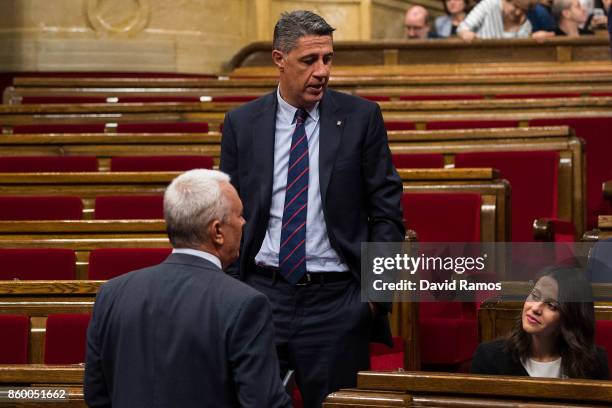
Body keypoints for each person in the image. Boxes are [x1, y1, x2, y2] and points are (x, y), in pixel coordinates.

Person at [220, 10, 405, 408]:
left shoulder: (361, 118)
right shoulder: (242, 123)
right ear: (279, 59)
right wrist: (235, 288)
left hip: (337, 301)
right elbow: (228, 212)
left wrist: (375, 298)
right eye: (309, 60)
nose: (322, 71)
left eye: (328, 59)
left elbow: (388, 213)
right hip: (261, 296)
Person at [84, 169, 291, 408]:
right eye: (239, 215)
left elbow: (96, 394)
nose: (244, 222)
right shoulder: (245, 304)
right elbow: (262, 403)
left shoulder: (111, 294)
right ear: (217, 232)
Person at [471, 266, 609, 379]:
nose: (535, 308)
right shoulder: (489, 357)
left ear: (570, 318)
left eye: (551, 305)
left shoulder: (593, 362)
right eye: (535, 295)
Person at [457, 0, 538, 40]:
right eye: (516, 6)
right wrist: (465, 33)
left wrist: (533, 38)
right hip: (480, 62)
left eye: (523, 10)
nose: (518, 13)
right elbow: (463, 28)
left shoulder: (526, 24)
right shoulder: (489, 5)